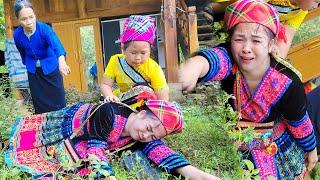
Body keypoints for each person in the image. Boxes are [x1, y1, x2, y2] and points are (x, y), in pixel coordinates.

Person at [179, 0, 318, 179]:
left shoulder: (288, 81)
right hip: (234, 142)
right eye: (239, 39)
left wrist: (311, 149)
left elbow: (298, 121)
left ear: (271, 45)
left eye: (256, 40)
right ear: (230, 41)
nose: (246, 48)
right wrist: (195, 65)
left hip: (275, 144)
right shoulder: (232, 60)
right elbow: (216, 59)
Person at [4, 91, 220, 180]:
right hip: (73, 129)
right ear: (143, 112)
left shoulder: (142, 134)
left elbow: (161, 151)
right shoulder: (109, 113)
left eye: (154, 135)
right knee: (43, 152)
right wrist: (108, 176)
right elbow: (96, 150)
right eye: (149, 127)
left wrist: (201, 176)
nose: (147, 135)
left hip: (92, 141)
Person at [201, 0, 320, 58]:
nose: (316, 6)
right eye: (316, 1)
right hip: (240, 9)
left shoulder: (300, 11)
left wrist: (278, 60)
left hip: (251, 22)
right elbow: (249, 4)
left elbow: (287, 37)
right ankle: (211, 9)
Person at [13, 0, 70, 114]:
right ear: (18, 20)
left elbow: (56, 46)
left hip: (51, 68)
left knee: (58, 101)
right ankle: (43, 125)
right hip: (34, 72)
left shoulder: (44, 29)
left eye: (31, 17)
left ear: (35, 15)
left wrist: (62, 62)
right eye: (24, 19)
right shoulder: (17, 34)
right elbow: (21, 51)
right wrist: (27, 63)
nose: (29, 22)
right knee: (39, 103)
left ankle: (60, 124)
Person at [100, 15, 169, 103]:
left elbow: (162, 97)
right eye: (133, 53)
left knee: (143, 90)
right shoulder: (115, 61)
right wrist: (110, 96)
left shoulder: (154, 68)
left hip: (145, 105)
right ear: (124, 50)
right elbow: (105, 84)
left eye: (143, 53)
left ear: (149, 51)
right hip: (121, 102)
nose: (138, 58)